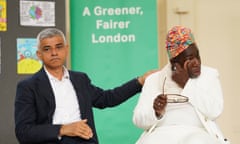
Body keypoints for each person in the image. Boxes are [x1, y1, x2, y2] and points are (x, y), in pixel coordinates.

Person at [14, 28, 154, 144]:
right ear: (39, 54)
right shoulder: (28, 86)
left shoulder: (80, 79)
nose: (54, 53)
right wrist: (63, 129)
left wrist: (139, 81)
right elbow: (23, 132)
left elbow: (107, 98)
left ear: (66, 49)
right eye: (47, 49)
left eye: (59, 47)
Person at [133, 26, 230, 144]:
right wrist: (156, 112)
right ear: (174, 62)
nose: (196, 62)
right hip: (161, 134)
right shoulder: (154, 80)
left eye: (197, 56)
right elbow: (138, 120)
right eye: (189, 58)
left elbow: (214, 111)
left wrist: (186, 85)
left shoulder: (209, 75)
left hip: (197, 133)